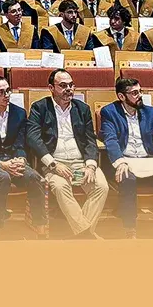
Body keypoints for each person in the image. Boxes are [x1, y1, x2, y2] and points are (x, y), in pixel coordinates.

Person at [27, 69, 108, 239]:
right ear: (51, 88)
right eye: (63, 86)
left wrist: (90, 165)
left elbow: (90, 139)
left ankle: (82, 233)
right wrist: (53, 164)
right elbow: (33, 138)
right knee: (60, 187)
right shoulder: (40, 108)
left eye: (71, 85)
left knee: (101, 187)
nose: (68, 89)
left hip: (81, 163)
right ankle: (86, 234)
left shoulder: (82, 108)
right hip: (55, 163)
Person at [99, 78, 153, 239]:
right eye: (135, 93)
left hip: (147, 161)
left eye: (140, 91)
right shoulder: (109, 112)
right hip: (125, 161)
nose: (140, 95)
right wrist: (120, 162)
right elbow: (110, 139)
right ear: (121, 96)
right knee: (127, 178)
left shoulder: (150, 113)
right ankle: (130, 230)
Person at [0, 76, 47, 238]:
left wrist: (21, 159)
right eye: (1, 92)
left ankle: (40, 227)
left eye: (8, 91)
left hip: (13, 159)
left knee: (34, 177)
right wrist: (1, 164)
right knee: (3, 177)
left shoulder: (19, 113)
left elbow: (20, 144)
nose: (6, 95)